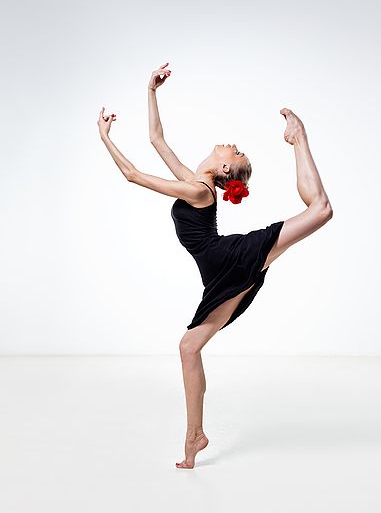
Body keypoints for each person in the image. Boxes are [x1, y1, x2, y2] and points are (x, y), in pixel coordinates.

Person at [97, 62, 333, 469]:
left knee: (320, 210)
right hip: (222, 270)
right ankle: (195, 437)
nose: (231, 145)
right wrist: (151, 90)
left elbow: (133, 174)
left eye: (235, 152)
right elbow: (157, 140)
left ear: (224, 169)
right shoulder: (197, 184)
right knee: (189, 347)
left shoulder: (197, 189)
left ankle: (300, 139)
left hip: (232, 258)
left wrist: (103, 137)